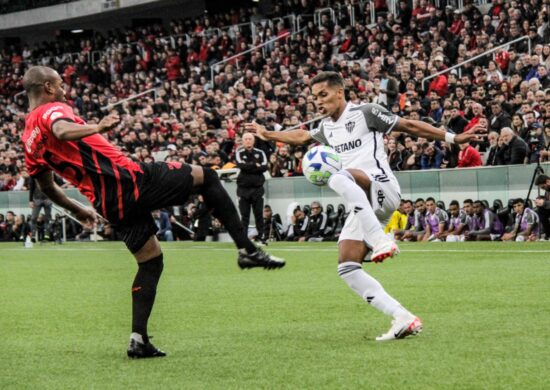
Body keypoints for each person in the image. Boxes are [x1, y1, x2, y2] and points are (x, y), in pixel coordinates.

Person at [21, 66, 284, 359]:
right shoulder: (52, 111)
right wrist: (97, 127)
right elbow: (61, 129)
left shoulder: (28, 139)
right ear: (47, 87)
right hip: (129, 179)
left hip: (108, 203)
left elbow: (46, 186)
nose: (65, 90)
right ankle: (247, 249)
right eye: (60, 85)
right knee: (206, 177)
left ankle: (139, 339)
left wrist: (79, 208)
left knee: (150, 262)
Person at [246, 71, 485, 341]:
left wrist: (454, 138)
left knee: (337, 175)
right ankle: (403, 318)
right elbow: (302, 136)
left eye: (323, 95)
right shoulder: (326, 127)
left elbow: (408, 125)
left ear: (340, 92)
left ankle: (381, 241)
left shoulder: (366, 112)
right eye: (314, 98)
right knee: (347, 266)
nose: (318, 102)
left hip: (383, 188)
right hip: (361, 202)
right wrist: (267, 134)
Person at [235, 133, 268, 243]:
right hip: (243, 190)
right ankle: (244, 238)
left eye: (250, 139)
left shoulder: (260, 153)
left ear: (253, 141)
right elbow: (241, 166)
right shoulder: (239, 153)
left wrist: (249, 166)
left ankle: (261, 236)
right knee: (244, 215)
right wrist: (255, 165)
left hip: (257, 189)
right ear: (243, 141)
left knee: (259, 214)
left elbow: (264, 167)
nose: (248, 141)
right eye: (246, 139)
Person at [534, 174, 550, 239]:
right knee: (541, 210)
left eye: (543, 187)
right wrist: (540, 200)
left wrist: (544, 203)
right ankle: (548, 234)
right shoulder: (548, 190)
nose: (543, 189)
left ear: (548, 181)